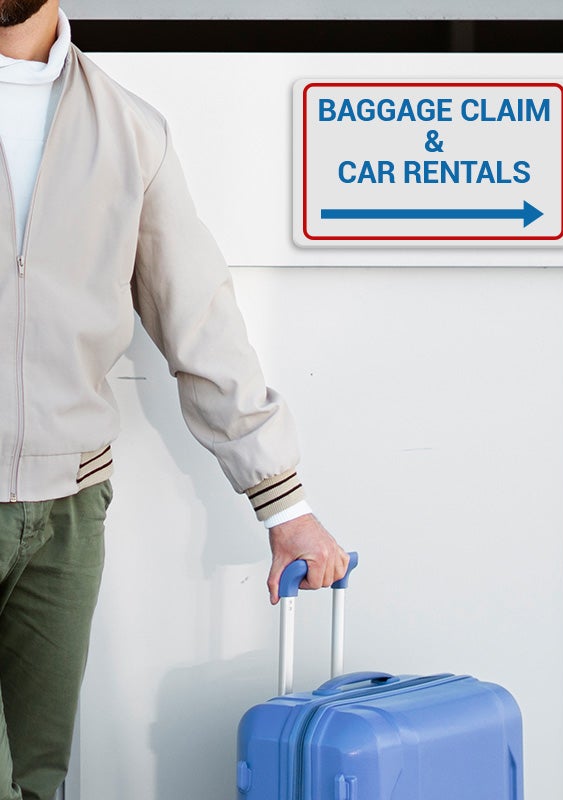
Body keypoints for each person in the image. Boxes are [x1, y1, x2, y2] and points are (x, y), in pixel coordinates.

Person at [0, 2, 349, 798]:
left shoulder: (129, 129)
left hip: (66, 514)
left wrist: (283, 503)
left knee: (37, 779)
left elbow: (198, 316)